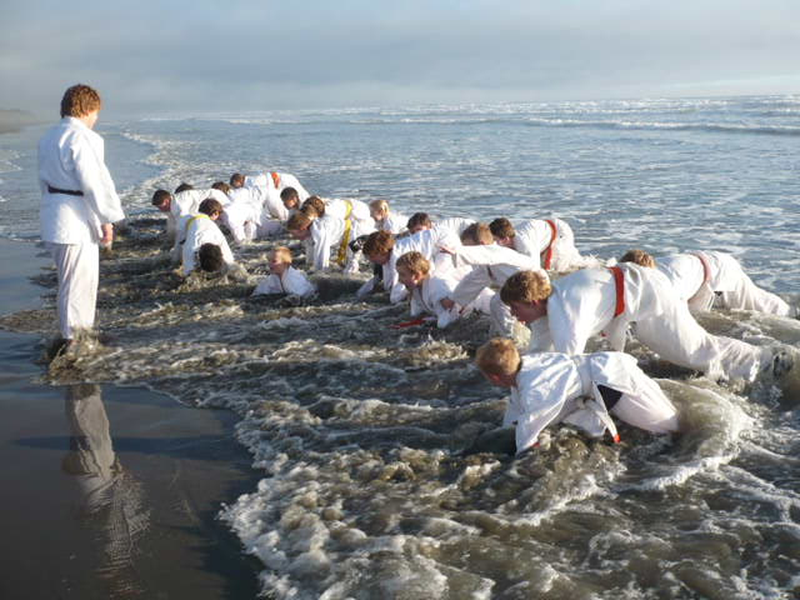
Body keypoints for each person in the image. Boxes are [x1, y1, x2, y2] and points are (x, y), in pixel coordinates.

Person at [499, 267, 791, 383]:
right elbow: (539, 352)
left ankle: (767, 359)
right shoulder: (548, 308)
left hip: (650, 293)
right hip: (629, 297)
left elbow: (568, 364)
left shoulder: (565, 312)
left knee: (695, 351)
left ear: (533, 301)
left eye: (515, 308)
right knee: (677, 354)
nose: (513, 315)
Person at [475, 338, 680, 454]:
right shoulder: (525, 366)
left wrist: (514, 463)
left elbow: (527, 435)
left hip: (613, 381)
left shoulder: (535, 390)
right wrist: (501, 434)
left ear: (494, 377)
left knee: (673, 428)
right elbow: (515, 414)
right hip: (603, 373)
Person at [38, 84, 125, 347]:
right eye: (96, 113)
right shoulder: (83, 137)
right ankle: (73, 341)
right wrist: (107, 218)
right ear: (88, 109)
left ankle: (80, 333)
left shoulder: (49, 137)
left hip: (55, 214)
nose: (96, 119)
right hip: (74, 220)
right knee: (78, 284)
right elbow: (94, 183)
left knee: (74, 282)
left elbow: (43, 181)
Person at [619, 249, 793, 316]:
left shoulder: (669, 284)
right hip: (706, 266)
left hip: (721, 272)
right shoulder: (651, 267)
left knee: (767, 308)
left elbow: (674, 318)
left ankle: (793, 313)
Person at [361, 228, 461, 303]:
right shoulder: (389, 253)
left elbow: (396, 295)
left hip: (445, 242)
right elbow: (388, 284)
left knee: (437, 277)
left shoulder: (398, 255)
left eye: (373, 257)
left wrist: (395, 298)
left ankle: (448, 302)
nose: (372, 260)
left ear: (382, 252)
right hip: (440, 236)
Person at [395, 251, 492, 328]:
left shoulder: (437, 288)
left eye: (402, 275)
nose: (399, 280)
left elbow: (446, 322)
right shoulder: (416, 288)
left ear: (416, 275)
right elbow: (416, 314)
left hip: (485, 306)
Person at [489, 217, 594, 272]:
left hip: (558, 234)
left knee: (557, 271)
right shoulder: (510, 237)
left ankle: (593, 267)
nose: (494, 243)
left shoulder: (525, 246)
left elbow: (535, 270)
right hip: (546, 230)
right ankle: (589, 266)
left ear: (505, 239)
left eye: (495, 239)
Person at [286, 210, 374, 273]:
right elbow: (310, 257)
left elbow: (322, 259)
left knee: (351, 270)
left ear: (303, 229)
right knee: (348, 266)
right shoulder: (309, 232)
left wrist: (317, 276)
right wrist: (308, 268)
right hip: (349, 237)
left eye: (294, 233)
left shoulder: (319, 231)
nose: (294, 237)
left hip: (358, 235)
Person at [179, 198, 235, 276]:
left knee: (190, 273)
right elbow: (228, 255)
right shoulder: (213, 227)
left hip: (192, 242)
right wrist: (232, 266)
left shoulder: (185, 218)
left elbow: (180, 241)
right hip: (188, 229)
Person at [151, 186, 229, 240]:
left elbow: (181, 229)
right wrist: (169, 238)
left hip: (217, 198)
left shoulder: (179, 206)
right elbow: (172, 225)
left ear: (167, 201)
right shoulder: (170, 205)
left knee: (227, 223)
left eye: (161, 207)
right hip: (200, 204)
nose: (160, 210)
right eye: (158, 207)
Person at [406, 212, 475, 237]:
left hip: (470, 228)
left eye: (419, 229)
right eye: (413, 232)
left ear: (429, 226)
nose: (416, 233)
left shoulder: (439, 231)